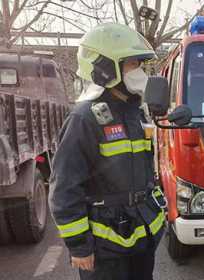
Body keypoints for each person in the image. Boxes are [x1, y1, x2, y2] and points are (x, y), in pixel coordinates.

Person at [49, 23, 166, 280]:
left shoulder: (136, 112)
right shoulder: (84, 119)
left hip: (141, 237)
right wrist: (79, 246)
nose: (140, 72)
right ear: (105, 68)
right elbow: (64, 188)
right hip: (105, 248)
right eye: (133, 64)